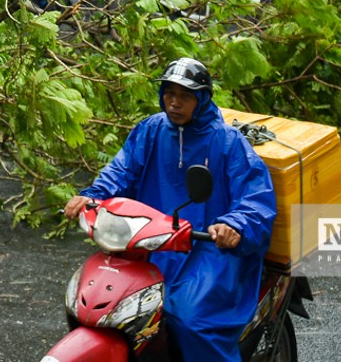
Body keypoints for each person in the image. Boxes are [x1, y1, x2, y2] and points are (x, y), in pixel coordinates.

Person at [62, 59, 276, 362]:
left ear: (202, 99)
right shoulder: (151, 130)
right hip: (148, 244)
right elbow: (121, 171)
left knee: (190, 321)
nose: (175, 103)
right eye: (169, 94)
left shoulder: (228, 142)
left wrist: (233, 224)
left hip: (208, 252)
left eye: (185, 96)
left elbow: (255, 198)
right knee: (110, 307)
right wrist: (93, 195)